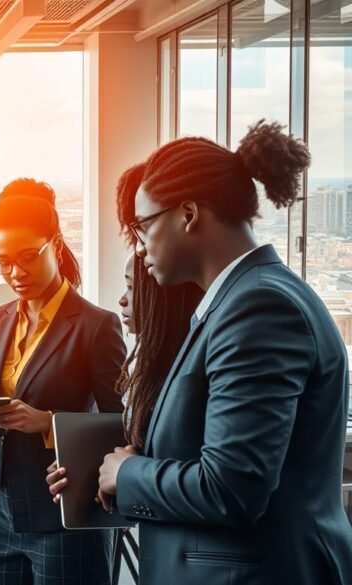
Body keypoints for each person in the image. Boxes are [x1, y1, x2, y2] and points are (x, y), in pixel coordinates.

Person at [97, 120, 352, 584]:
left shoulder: (259, 308)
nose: (141, 246)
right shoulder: (235, 301)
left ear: (188, 214)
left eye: (143, 226)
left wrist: (130, 473)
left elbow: (232, 488)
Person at [0, 178, 126, 585]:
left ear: (57, 245)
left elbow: (121, 425)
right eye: (4, 261)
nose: (15, 273)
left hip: (62, 512)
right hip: (2, 512)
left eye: (28, 256)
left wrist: (47, 422)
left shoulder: (96, 326)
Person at [47, 162, 202, 502]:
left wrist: (126, 474)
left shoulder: (198, 353)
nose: (142, 247)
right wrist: (92, 468)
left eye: (132, 287)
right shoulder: (156, 363)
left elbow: (220, 481)